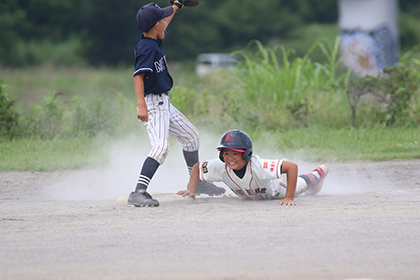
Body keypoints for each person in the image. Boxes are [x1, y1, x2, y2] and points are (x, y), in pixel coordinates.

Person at [128, 2, 225, 207]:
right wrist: (141, 105)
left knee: (191, 137)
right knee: (160, 147)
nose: (166, 23)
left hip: (164, 102)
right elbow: (138, 77)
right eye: (163, 20)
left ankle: (196, 182)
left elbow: (165, 19)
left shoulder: (154, 38)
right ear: (156, 26)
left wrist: (176, 5)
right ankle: (139, 191)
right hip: (153, 103)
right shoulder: (147, 48)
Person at [177, 130, 328, 206]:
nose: (229, 157)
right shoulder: (221, 167)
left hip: (278, 189)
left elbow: (292, 167)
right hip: (256, 192)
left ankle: (318, 173)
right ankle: (281, 166)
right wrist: (191, 189)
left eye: (235, 153)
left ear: (247, 154)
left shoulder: (258, 167)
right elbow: (197, 167)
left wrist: (288, 197)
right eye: (226, 153)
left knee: (300, 185)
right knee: (284, 169)